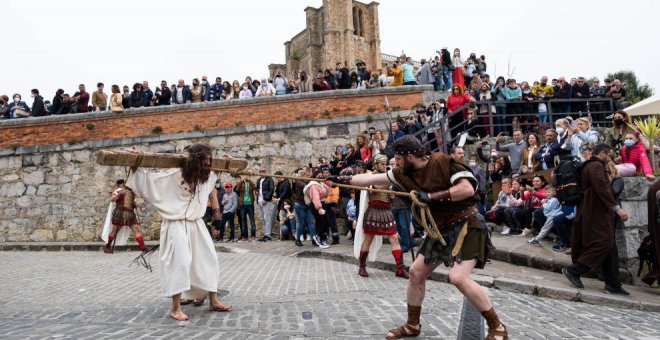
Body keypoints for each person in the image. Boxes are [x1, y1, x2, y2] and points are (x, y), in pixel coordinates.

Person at [335, 135, 506, 340]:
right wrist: (341, 180)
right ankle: (412, 325)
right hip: (439, 229)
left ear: (410, 156)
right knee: (416, 273)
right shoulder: (402, 173)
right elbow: (372, 179)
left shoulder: (442, 162)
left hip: (467, 224)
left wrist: (433, 197)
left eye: (398, 158)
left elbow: (467, 188)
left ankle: (497, 327)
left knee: (458, 277)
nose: (395, 162)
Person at [126, 144, 232, 320]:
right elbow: (146, 181)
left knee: (209, 259)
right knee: (180, 262)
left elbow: (214, 177)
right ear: (194, 160)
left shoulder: (204, 176)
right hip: (175, 225)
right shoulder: (171, 175)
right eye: (204, 159)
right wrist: (134, 163)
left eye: (209, 159)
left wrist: (226, 164)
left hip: (196, 224)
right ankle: (175, 308)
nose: (207, 162)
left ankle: (213, 300)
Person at [562, 144, 630, 295]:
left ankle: (612, 283)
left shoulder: (589, 166)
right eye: (609, 155)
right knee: (604, 242)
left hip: (593, 210)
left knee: (610, 246)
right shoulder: (596, 167)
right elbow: (602, 189)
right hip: (596, 211)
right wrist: (617, 209)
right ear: (603, 153)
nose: (610, 158)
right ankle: (574, 270)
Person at [354, 155, 409, 279]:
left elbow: (393, 197)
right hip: (373, 212)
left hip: (387, 212)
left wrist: (393, 191)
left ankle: (400, 269)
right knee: (368, 239)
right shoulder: (371, 178)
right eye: (382, 164)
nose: (384, 166)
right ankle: (361, 266)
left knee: (394, 238)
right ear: (376, 165)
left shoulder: (389, 177)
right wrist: (388, 184)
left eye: (385, 164)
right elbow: (373, 189)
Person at [256, 169, 275, 242]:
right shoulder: (258, 180)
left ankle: (268, 235)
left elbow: (271, 189)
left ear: (266, 172)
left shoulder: (270, 179)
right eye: (261, 172)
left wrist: (266, 199)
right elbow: (257, 189)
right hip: (259, 200)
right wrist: (256, 192)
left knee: (266, 217)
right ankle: (265, 234)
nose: (262, 173)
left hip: (265, 200)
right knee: (262, 218)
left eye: (264, 171)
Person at [237, 175, 257, 242]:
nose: (245, 177)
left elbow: (254, 187)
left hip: (250, 204)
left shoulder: (250, 183)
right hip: (243, 204)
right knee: (243, 221)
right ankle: (244, 237)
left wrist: (250, 180)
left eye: (247, 176)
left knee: (252, 220)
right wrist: (242, 181)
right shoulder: (241, 183)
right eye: (244, 176)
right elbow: (237, 189)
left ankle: (253, 236)